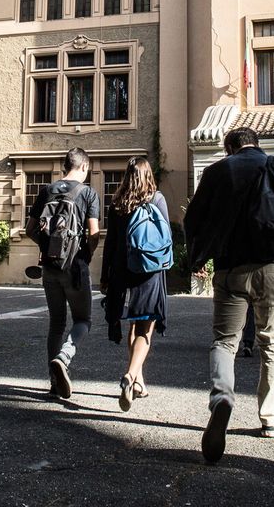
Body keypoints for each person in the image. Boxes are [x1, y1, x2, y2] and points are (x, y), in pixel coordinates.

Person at [184, 127, 274, 463]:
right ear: (257, 143)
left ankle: (222, 398)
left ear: (230, 147)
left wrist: (199, 258)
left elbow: (193, 219)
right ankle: (270, 418)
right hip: (272, 268)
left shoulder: (217, 172)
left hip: (229, 268)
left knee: (225, 341)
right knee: (271, 342)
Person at [26, 147, 100, 399]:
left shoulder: (47, 190)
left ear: (65, 165)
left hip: (49, 266)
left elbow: (30, 229)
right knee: (83, 319)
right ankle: (64, 356)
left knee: (56, 323)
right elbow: (94, 233)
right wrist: (85, 256)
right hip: (75, 267)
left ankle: (54, 382)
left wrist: (47, 247)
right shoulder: (88, 193)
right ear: (85, 167)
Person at [100, 156, 169, 412]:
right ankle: (130, 376)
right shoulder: (157, 199)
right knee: (144, 330)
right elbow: (164, 238)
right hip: (148, 272)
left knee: (131, 324)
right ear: (148, 174)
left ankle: (139, 381)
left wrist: (105, 276)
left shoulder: (117, 203)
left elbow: (109, 244)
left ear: (127, 175)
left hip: (121, 272)